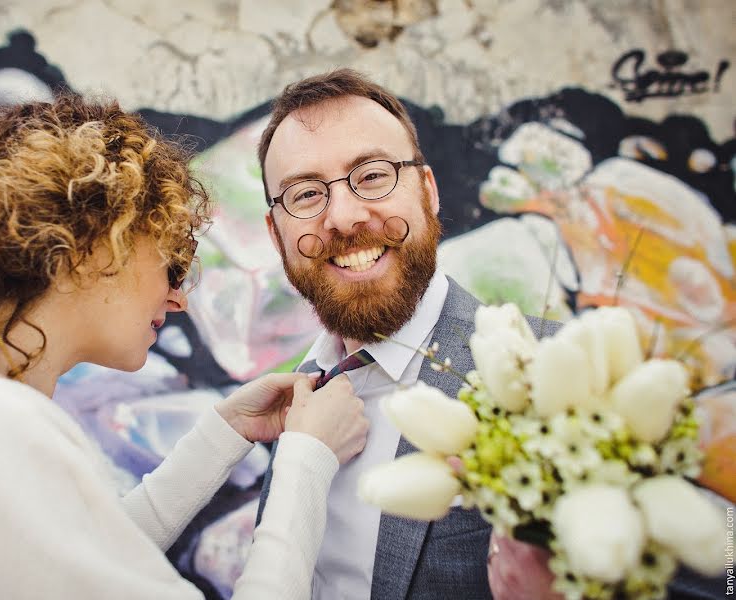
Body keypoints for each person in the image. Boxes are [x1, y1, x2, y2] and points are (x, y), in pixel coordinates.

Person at [0, 95, 370, 599]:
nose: (179, 297)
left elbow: (80, 560)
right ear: (96, 241)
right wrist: (307, 461)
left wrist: (222, 435)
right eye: (172, 262)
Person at [254, 68, 722, 600]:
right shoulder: (294, 397)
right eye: (306, 193)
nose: (342, 215)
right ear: (276, 233)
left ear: (427, 191)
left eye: (373, 174)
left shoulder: (561, 368)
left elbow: (726, 559)